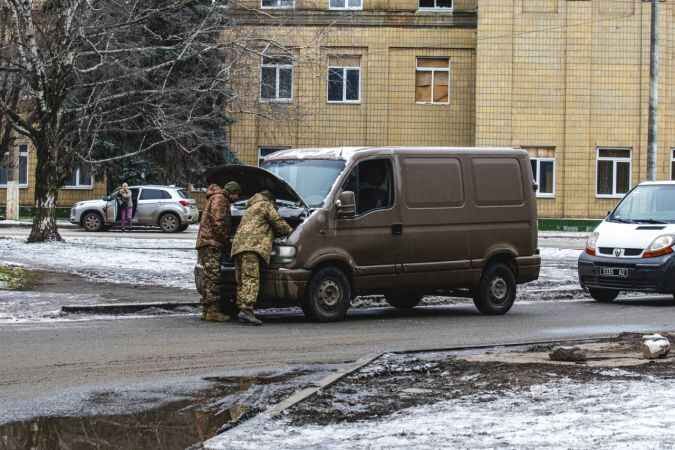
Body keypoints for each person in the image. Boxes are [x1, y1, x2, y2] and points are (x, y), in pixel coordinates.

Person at [231, 190, 293, 326]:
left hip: (238, 247)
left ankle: (242, 308)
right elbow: (278, 222)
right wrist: (292, 232)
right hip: (251, 247)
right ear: (271, 200)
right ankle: (247, 310)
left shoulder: (251, 207)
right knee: (251, 278)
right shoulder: (265, 204)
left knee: (242, 279)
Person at [196, 181, 242, 322]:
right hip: (211, 243)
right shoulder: (220, 199)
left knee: (208, 276)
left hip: (207, 242)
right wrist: (227, 239)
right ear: (232, 192)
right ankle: (212, 312)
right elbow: (218, 222)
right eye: (237, 195)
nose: (237, 198)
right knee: (213, 278)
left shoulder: (215, 197)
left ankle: (207, 310)